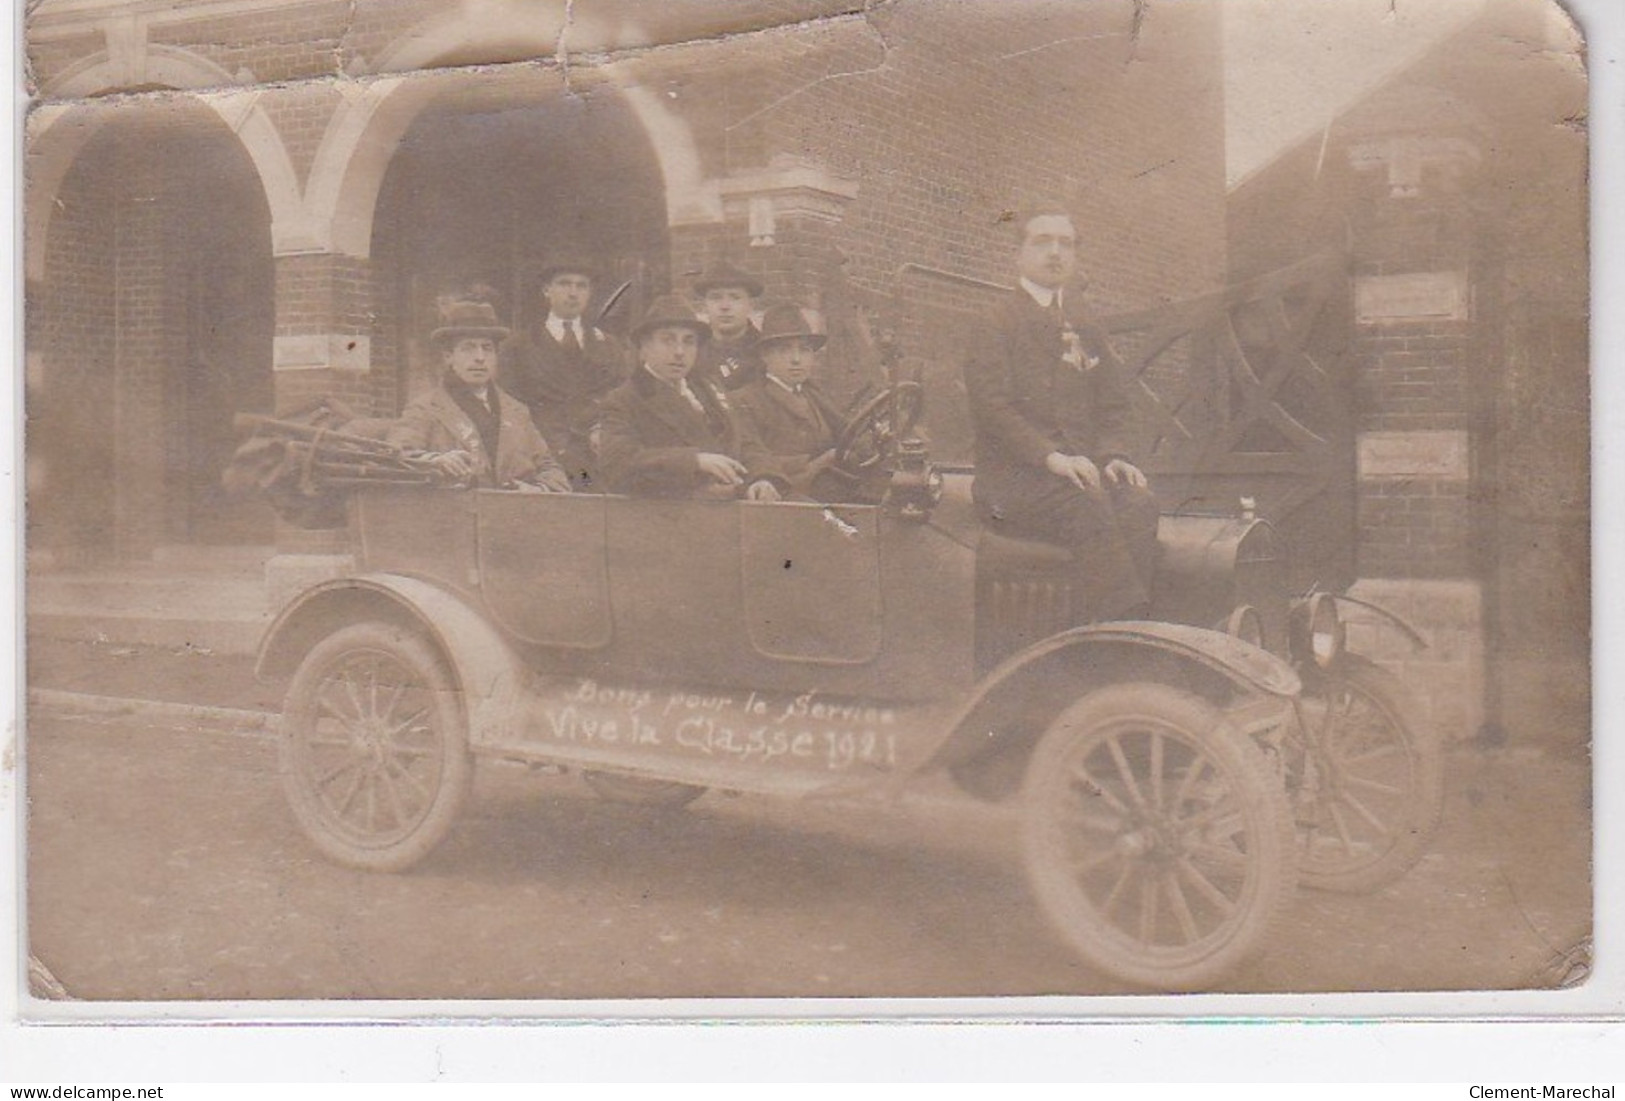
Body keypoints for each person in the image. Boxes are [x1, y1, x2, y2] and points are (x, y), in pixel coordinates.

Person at [961, 204, 1159, 621]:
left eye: (1065, 244)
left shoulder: (1085, 324)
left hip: (1080, 476)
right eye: (1042, 242)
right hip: (1014, 482)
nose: (1055, 253)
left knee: (1139, 503)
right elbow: (993, 408)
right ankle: (1115, 635)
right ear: (1019, 255)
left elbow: (1114, 402)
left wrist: (1114, 456)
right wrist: (1052, 457)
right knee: (1086, 505)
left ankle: (1121, 625)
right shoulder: (994, 321)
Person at [598, 295, 783, 501]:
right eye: (668, 340)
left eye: (689, 341)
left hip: (733, 506)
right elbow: (618, 466)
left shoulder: (710, 390)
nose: (679, 352)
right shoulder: (624, 400)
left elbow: (748, 443)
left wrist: (761, 478)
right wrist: (693, 461)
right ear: (644, 348)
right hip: (670, 516)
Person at [389, 298, 571, 492]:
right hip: (452, 515)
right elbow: (395, 457)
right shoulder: (426, 409)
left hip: (512, 516)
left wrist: (537, 489)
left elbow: (552, 470)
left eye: (487, 348)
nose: (479, 357)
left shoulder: (517, 411)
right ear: (449, 356)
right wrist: (435, 461)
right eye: (468, 347)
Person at [498, 257, 631, 490]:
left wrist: (602, 429)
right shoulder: (518, 347)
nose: (573, 293)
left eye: (582, 286)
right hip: (543, 460)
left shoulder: (609, 346)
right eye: (564, 284)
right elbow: (509, 409)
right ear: (546, 290)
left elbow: (622, 400)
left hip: (596, 459)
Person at [731, 301, 853, 501]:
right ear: (765, 356)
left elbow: (848, 434)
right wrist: (818, 462)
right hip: (784, 499)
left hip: (832, 490)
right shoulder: (745, 400)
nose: (796, 359)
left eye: (804, 350)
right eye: (785, 350)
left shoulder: (817, 398)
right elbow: (749, 454)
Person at [690, 260, 766, 391]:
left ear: (751, 305)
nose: (724, 306)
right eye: (715, 298)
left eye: (735, 297)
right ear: (704, 306)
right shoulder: (692, 351)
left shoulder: (765, 351)